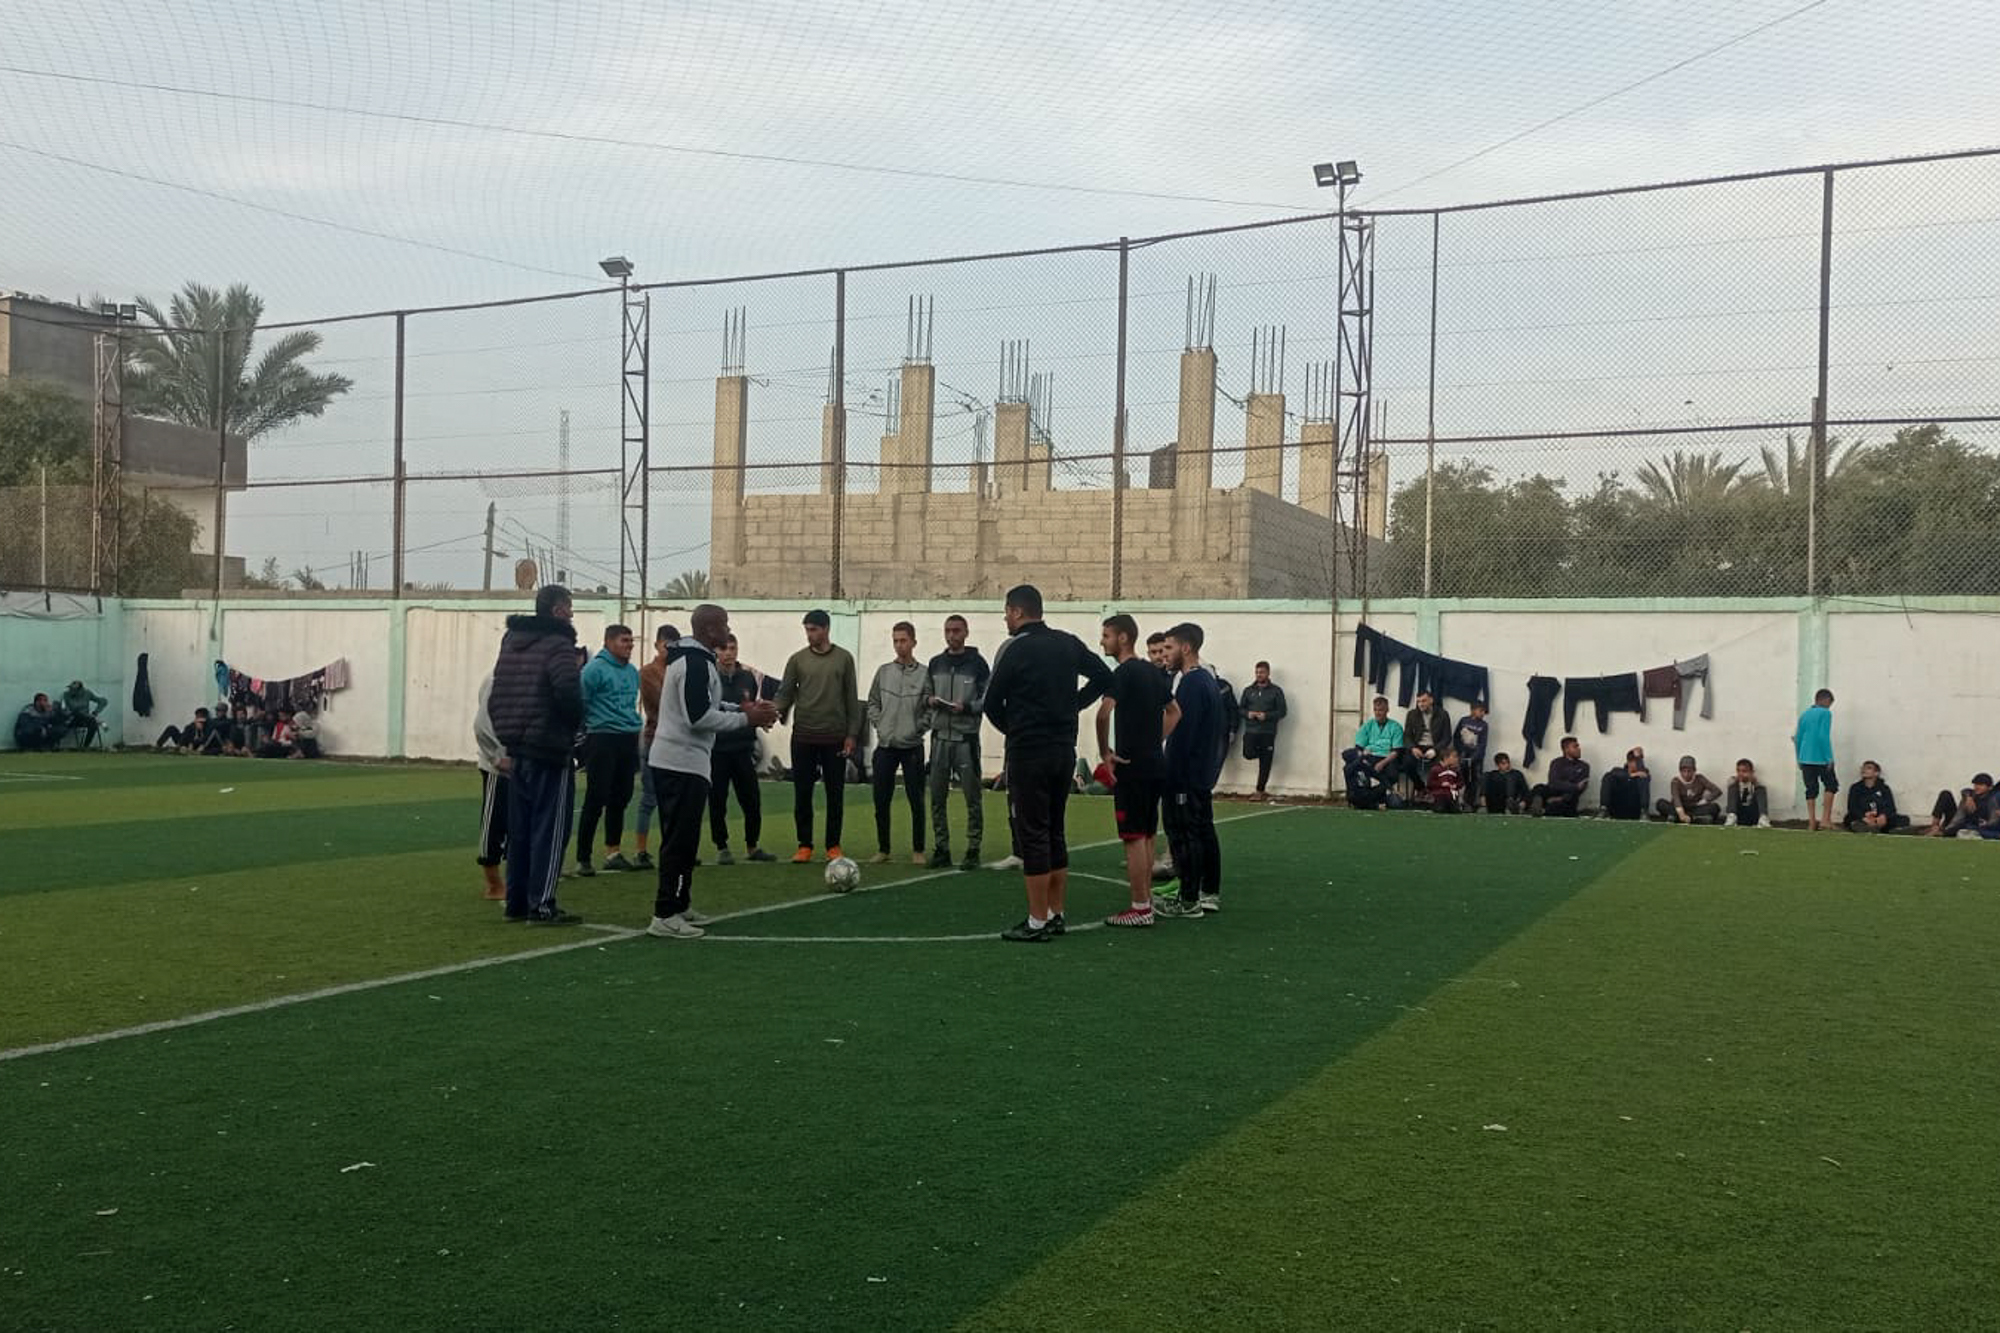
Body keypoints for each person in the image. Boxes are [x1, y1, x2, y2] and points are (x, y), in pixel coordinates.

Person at [981, 583, 1112, 942]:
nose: (1006, 619)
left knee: (1033, 833)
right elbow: (1104, 676)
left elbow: (991, 703)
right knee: (1055, 829)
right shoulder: (1067, 643)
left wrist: (1015, 727)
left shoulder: (1015, 649)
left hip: (1029, 750)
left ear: (1018, 612)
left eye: (1007, 612)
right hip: (1062, 750)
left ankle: (1037, 920)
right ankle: (1056, 912)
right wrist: (1073, 705)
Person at [646, 603, 780, 939]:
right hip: (679, 762)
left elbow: (709, 704)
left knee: (685, 839)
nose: (727, 628)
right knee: (679, 840)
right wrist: (745, 719)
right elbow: (698, 717)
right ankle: (665, 913)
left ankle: (680, 903)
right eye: (723, 624)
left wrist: (743, 707)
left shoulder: (695, 660)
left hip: (684, 762)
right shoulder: (693, 662)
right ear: (709, 630)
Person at [488, 583, 586, 925]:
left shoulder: (511, 642)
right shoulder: (559, 644)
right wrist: (574, 728)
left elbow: (496, 692)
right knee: (551, 828)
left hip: (517, 746)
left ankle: (516, 902)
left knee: (521, 830)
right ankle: (542, 904)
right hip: (549, 745)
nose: (572, 614)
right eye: (570, 607)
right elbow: (567, 691)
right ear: (559, 610)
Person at [1095, 613, 1179, 927]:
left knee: (1132, 836)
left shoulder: (1123, 672)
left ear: (1123, 638)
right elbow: (1174, 712)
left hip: (1131, 765)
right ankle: (1145, 902)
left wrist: (1106, 752)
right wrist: (1154, 741)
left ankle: (1140, 905)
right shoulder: (1152, 671)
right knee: (1145, 834)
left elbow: (1103, 714)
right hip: (1154, 762)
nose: (1102, 641)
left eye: (1106, 635)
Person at [775, 609, 862, 863]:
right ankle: (804, 845)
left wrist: (852, 735)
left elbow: (851, 699)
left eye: (813, 629)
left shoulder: (844, 659)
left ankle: (833, 845)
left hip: (834, 737)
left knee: (835, 793)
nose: (809, 634)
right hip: (803, 736)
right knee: (802, 793)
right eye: (807, 629)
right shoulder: (797, 660)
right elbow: (785, 693)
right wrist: (773, 712)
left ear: (825, 629)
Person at [1157, 622, 1224, 920]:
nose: (1164, 654)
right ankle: (1208, 892)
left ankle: (1188, 899)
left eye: (1169, 648)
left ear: (1186, 648)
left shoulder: (1192, 684)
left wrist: (1171, 771)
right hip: (1201, 771)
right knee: (1203, 829)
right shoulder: (1206, 680)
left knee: (1185, 833)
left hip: (1186, 773)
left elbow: (1183, 733)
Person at [574, 624, 643, 876]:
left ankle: (613, 851)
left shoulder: (633, 672)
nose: (629, 645)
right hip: (602, 737)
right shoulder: (593, 670)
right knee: (596, 796)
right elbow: (581, 702)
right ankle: (583, 857)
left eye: (631, 641)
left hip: (627, 737)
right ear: (609, 642)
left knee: (621, 796)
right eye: (624, 641)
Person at [924, 614, 989, 870]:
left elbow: (988, 698)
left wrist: (968, 707)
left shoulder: (978, 664)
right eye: (948, 631)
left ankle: (973, 849)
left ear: (966, 632)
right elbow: (926, 692)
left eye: (957, 630)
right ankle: (942, 848)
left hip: (966, 740)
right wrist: (930, 700)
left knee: (972, 797)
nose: (952, 635)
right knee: (937, 797)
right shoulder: (935, 663)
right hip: (939, 738)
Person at [866, 621, 931, 866]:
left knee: (916, 799)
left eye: (903, 640)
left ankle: (918, 850)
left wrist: (919, 728)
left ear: (913, 642)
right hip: (885, 745)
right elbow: (872, 702)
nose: (899, 645)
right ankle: (883, 849)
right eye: (895, 640)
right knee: (881, 799)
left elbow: (930, 709)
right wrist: (879, 724)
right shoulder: (883, 672)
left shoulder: (925, 674)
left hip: (912, 745)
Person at [709, 633, 774, 864]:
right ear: (716, 651)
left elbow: (752, 707)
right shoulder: (710, 677)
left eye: (732, 648)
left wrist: (763, 716)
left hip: (743, 748)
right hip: (717, 749)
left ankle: (752, 846)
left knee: (751, 799)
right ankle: (722, 847)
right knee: (717, 800)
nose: (728, 653)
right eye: (723, 648)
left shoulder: (748, 677)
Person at [632, 624, 678, 870]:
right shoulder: (647, 672)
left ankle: (670, 848)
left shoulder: (677, 670)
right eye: (665, 645)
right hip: (654, 738)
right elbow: (663, 703)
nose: (668, 650)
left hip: (674, 740)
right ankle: (640, 850)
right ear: (657, 645)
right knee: (650, 798)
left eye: (672, 646)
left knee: (672, 800)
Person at [473, 673, 509, 900]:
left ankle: (517, 878)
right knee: (494, 821)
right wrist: (497, 758)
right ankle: (493, 883)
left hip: (526, 765)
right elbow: (482, 725)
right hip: (499, 766)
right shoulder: (498, 680)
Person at [1343, 696, 1405, 807]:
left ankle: (1368, 799)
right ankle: (1362, 796)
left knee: (1392, 775)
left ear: (1387, 710)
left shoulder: (1396, 727)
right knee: (1349, 761)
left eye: (1380, 710)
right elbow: (1359, 748)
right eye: (1375, 710)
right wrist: (1363, 754)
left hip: (1387, 758)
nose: (1378, 713)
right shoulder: (1368, 725)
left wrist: (1382, 763)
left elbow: (1396, 751)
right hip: (1370, 757)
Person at [1239, 661, 1287, 800]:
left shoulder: (1276, 691)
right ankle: (1262, 753)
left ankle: (1260, 790)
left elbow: (1282, 711)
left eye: (1262, 672)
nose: (1259, 675)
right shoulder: (1248, 690)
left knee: (1266, 762)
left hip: (1268, 731)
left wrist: (1267, 716)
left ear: (1268, 673)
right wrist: (1248, 714)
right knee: (1247, 753)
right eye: (1257, 672)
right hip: (1251, 730)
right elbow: (1240, 708)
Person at [1793, 687, 1839, 832]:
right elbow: (1823, 736)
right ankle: (1825, 819)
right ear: (1826, 700)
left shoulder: (1804, 714)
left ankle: (1811, 822)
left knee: (1811, 789)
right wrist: (1829, 757)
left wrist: (1798, 758)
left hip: (1805, 758)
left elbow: (1797, 738)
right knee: (1831, 785)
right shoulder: (1826, 713)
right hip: (1820, 758)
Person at [1402, 690, 1453, 791]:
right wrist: (1412, 748)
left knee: (1440, 767)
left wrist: (1435, 750)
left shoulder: (1443, 714)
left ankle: (1433, 792)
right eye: (1418, 702)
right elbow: (1406, 736)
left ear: (1431, 700)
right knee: (1406, 763)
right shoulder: (1412, 714)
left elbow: (1447, 737)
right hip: (1418, 746)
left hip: (1435, 746)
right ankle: (1421, 788)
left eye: (1424, 701)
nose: (1421, 704)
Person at [1925, 772, 1999, 838]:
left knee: (1965, 826)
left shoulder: (1993, 797)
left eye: (1981, 785)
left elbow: (1991, 822)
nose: (1977, 787)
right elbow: (1966, 790)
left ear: (1990, 787)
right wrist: (1967, 796)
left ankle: (1942, 832)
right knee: (1945, 794)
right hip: (1956, 822)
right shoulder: (1971, 794)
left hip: (1968, 826)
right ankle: (1934, 827)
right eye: (1976, 784)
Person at [1843, 760, 1910, 832]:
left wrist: (1883, 816)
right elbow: (1852, 807)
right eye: (1863, 768)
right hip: (1864, 817)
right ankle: (1866, 827)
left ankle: (1884, 828)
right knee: (1849, 818)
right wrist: (1864, 817)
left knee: (1904, 819)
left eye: (1868, 768)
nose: (1864, 770)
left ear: (1876, 773)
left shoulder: (1884, 788)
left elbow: (1891, 807)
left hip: (1879, 817)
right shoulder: (1855, 788)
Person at [1533, 736, 1590, 817]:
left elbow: (1581, 789)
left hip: (1568, 800)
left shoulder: (1584, 766)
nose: (1579, 749)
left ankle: (1543, 810)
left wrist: (1561, 798)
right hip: (1553, 793)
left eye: (1578, 746)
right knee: (1539, 788)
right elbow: (1553, 783)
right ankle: (1531, 806)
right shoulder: (1556, 763)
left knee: (1558, 805)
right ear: (1566, 749)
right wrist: (1574, 786)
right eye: (1575, 747)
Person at [1656, 756, 1723, 824]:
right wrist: (1682, 814)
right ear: (1680, 771)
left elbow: (1717, 791)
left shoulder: (1700, 778)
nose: (1686, 774)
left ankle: (1677, 818)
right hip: (1679, 808)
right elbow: (1676, 799)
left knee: (1715, 807)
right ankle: (1694, 819)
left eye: (1689, 771)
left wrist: (1705, 800)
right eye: (1684, 771)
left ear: (1694, 771)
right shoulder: (1675, 781)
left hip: (1695, 808)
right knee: (1660, 803)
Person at [1600, 747, 1651, 820]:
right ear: (1628, 762)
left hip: (1634, 810)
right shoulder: (1617, 771)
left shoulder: (1643, 773)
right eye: (1635, 761)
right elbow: (1612, 774)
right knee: (1607, 777)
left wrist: (1638, 757)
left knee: (1643, 779)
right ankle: (1603, 809)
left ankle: (1644, 812)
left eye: (1639, 760)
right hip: (1617, 808)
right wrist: (1630, 775)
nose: (1638, 763)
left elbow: (1646, 776)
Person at [156, 707, 223, 754]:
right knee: (171, 728)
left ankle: (180, 748)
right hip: (188, 743)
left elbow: (206, 740)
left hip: (200, 745)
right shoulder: (191, 725)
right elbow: (186, 734)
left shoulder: (210, 726)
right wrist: (182, 745)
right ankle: (158, 746)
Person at [1455, 700, 1490, 790]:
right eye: (1480, 711)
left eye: (1484, 711)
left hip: (1477, 756)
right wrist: (1460, 751)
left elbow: (1483, 743)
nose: (1483, 713)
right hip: (1463, 753)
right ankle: (1461, 798)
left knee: (1476, 778)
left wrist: (1474, 757)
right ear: (1473, 710)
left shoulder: (1484, 725)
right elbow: (1456, 737)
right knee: (1462, 776)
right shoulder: (1463, 720)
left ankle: (1473, 800)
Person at [60, 680, 108, 747]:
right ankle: (99, 722)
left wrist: (95, 712)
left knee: (93, 723)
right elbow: (64, 709)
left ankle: (85, 746)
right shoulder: (66, 695)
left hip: (86, 719)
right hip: (72, 719)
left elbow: (103, 701)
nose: (71, 691)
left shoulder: (87, 693)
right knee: (77, 713)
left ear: (80, 690)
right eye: (70, 689)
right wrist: (68, 712)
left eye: (74, 689)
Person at [1725, 758, 1769, 827]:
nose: (1741, 773)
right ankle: (1731, 817)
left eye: (1744, 771)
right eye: (1738, 771)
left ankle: (1763, 818)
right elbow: (1730, 784)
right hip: (1739, 813)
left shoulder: (1756, 783)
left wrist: (1754, 783)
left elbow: (1760, 792)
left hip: (1752, 813)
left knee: (1760, 789)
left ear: (1751, 772)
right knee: (1732, 788)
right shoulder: (1734, 781)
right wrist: (1737, 781)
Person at [1425, 746, 1465, 812]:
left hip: (1452, 796)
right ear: (1446, 758)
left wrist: (1455, 785)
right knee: (1441, 809)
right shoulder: (1435, 769)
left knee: (1455, 811)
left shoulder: (1456, 771)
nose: (1456, 759)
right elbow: (1430, 784)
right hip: (1439, 796)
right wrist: (1441, 784)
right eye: (1454, 757)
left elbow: (1461, 782)